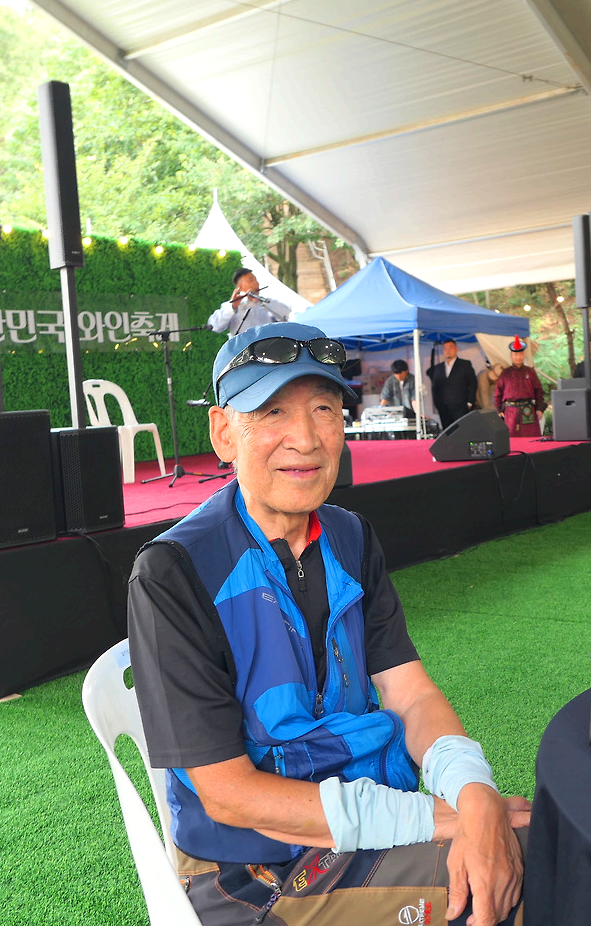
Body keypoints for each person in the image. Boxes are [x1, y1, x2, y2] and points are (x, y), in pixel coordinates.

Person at [127, 321, 531, 926]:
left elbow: (411, 694)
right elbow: (230, 795)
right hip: (251, 871)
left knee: (548, 843)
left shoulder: (350, 536)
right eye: (271, 412)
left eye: (324, 409)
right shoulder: (175, 571)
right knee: (516, 880)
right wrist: (440, 818)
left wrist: (473, 792)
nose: (306, 438)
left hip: (367, 825)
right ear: (223, 433)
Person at [208, 267, 291, 336]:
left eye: (256, 280)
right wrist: (233, 307)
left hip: (268, 346)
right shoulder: (232, 305)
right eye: (251, 280)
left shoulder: (266, 302)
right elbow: (215, 326)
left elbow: (287, 315)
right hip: (243, 348)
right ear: (240, 287)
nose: (256, 283)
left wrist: (264, 303)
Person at [495, 336, 547, 437]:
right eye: (515, 354)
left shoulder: (530, 372)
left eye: (520, 354)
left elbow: (539, 391)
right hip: (510, 412)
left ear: (524, 355)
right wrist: (498, 410)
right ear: (511, 356)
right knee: (511, 438)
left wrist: (539, 408)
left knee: (531, 438)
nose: (518, 357)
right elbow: (498, 392)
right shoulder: (505, 373)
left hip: (528, 410)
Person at [427, 340, 478, 430]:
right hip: (443, 407)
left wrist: (470, 402)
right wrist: (437, 404)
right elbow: (435, 388)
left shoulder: (465, 364)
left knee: (462, 431)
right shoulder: (438, 368)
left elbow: (473, 384)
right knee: (447, 432)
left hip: (461, 406)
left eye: (450, 347)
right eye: (445, 348)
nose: (448, 350)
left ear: (456, 349)